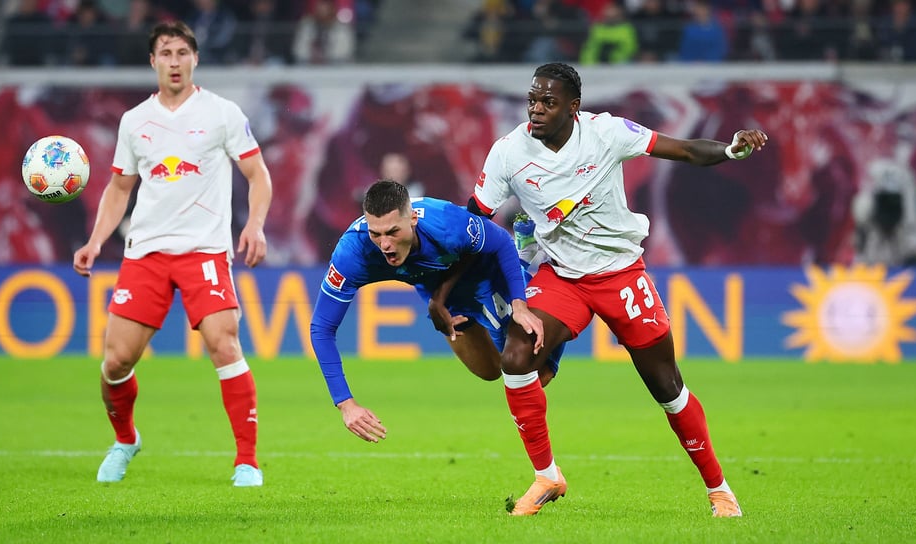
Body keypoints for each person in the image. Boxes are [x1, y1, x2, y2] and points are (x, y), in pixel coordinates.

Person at [466, 62, 767, 517]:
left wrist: (730, 150)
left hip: (621, 274)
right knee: (516, 356)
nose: (536, 109)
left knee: (667, 387)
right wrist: (456, 281)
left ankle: (719, 490)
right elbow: (475, 218)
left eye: (548, 102)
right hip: (563, 277)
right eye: (532, 100)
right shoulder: (508, 152)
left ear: (573, 107)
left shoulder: (606, 133)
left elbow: (686, 150)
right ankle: (547, 476)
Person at [72, 21, 273, 487]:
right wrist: (96, 241)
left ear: (195, 58)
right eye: (166, 53)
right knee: (116, 362)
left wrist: (255, 225)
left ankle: (247, 461)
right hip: (146, 252)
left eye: (183, 52)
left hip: (204, 250)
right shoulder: (134, 121)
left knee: (224, 343)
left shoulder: (221, 113)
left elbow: (258, 174)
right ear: (153, 62)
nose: (175, 62)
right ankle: (125, 440)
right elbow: (119, 188)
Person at [310, 179, 560, 442]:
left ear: (413, 220)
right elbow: (322, 328)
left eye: (393, 232)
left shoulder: (445, 221)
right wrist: (345, 404)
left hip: (485, 272)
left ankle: (524, 255)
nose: (385, 245)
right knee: (488, 371)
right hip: (444, 293)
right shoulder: (352, 253)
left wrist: (519, 306)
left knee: (533, 374)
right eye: (376, 234)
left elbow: (499, 242)